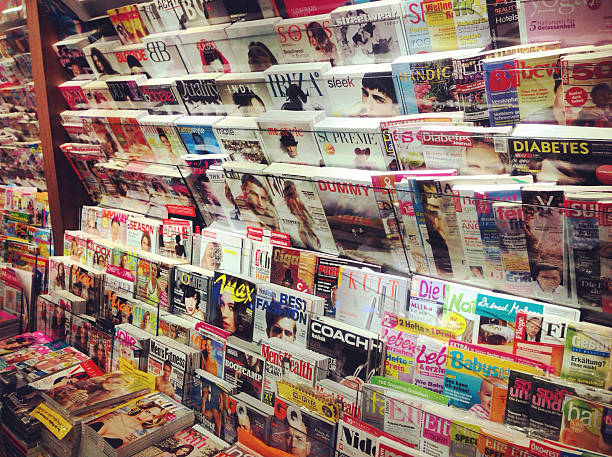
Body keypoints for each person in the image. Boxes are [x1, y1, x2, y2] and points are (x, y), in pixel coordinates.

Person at [88, 400, 169, 448]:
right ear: (143, 409)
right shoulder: (117, 415)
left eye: (153, 416)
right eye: (148, 412)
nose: (147, 416)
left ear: (155, 420)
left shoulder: (140, 435)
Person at [50, 372, 134, 412]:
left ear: (123, 386)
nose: (111, 383)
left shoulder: (114, 397)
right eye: (111, 380)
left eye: (117, 383)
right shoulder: (94, 382)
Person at [282, 180, 321, 250]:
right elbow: (301, 217)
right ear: (289, 192)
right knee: (310, 248)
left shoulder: (295, 201)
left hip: (301, 227)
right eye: (292, 189)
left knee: (310, 247)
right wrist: (315, 236)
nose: (294, 191)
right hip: (302, 227)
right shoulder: (292, 201)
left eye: (294, 189)